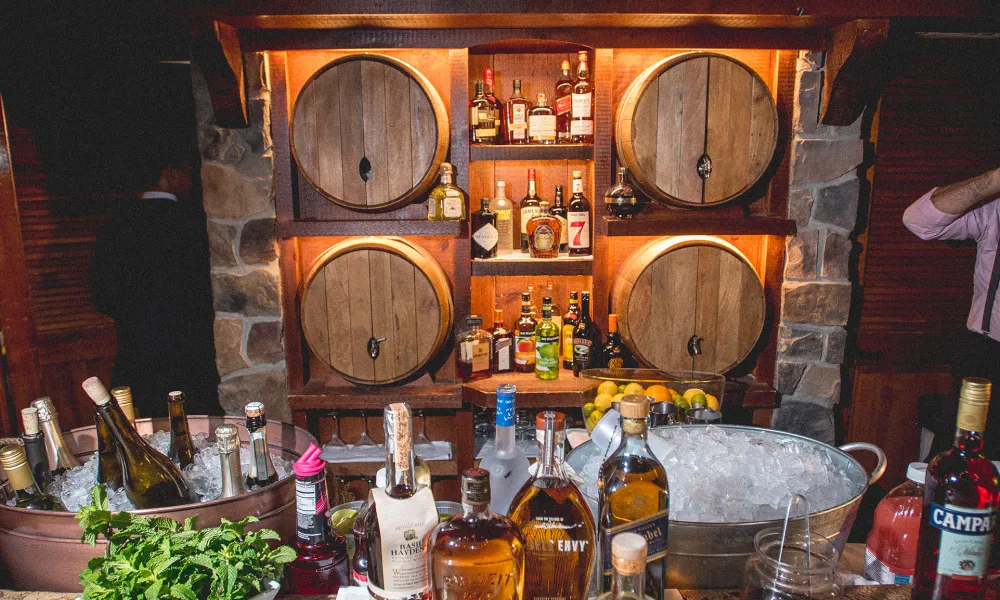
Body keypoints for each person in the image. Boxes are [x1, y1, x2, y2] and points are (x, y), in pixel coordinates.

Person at [91, 152, 222, 418]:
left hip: (141, 354)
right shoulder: (196, 224)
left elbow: (101, 295)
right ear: (170, 174)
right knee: (200, 429)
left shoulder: (114, 227)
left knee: (154, 430)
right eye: (185, 171)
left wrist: (135, 317)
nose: (189, 179)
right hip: (193, 353)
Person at [903, 166, 1000, 458]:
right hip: (989, 364)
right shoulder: (995, 208)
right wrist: (992, 181)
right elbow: (920, 221)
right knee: (958, 477)